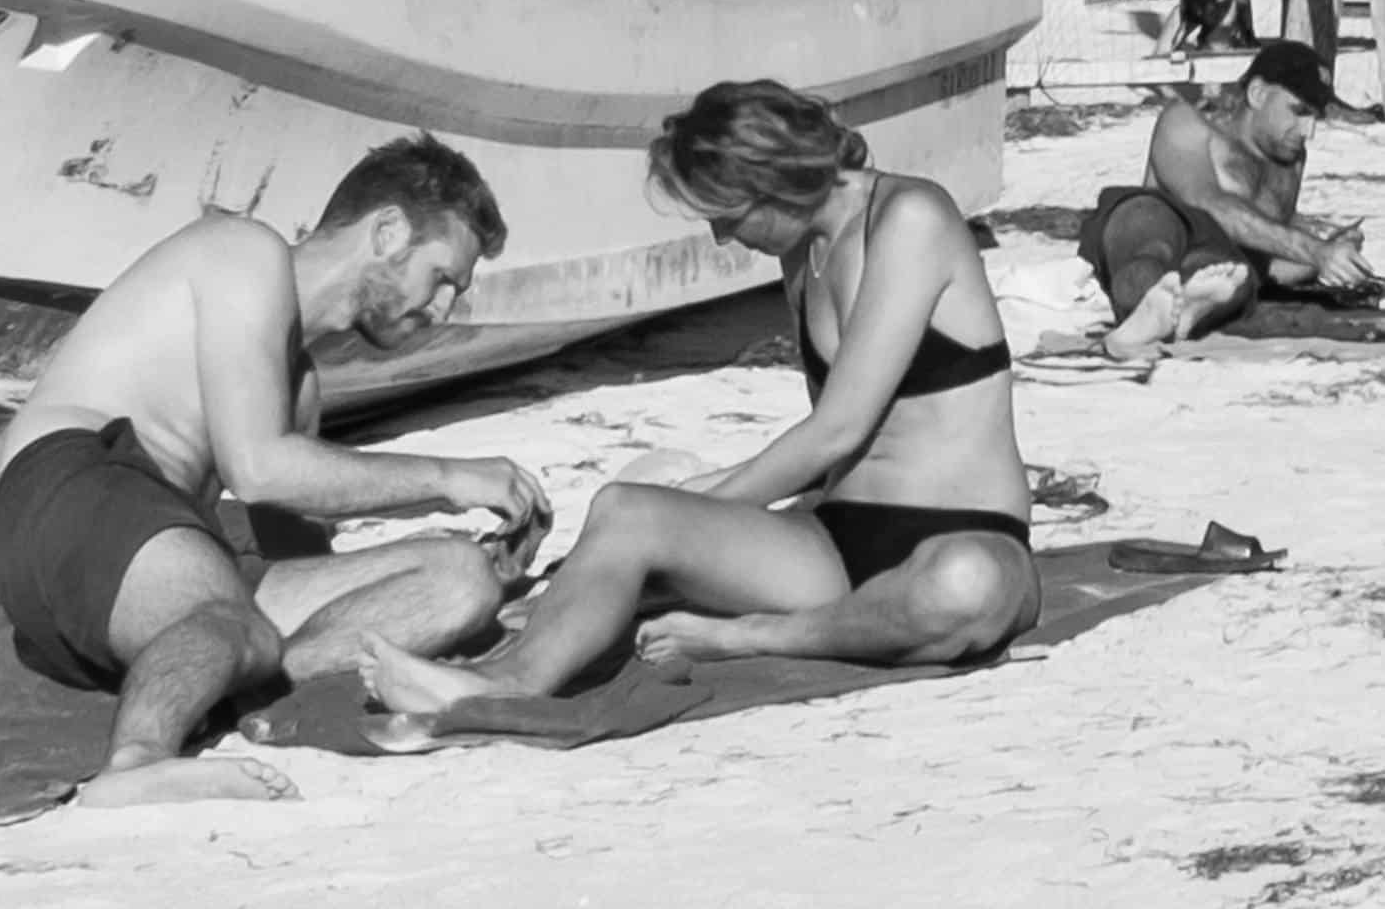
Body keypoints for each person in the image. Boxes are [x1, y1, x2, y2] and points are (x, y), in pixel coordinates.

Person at [363, 81, 1040, 713]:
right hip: (837, 540)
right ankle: (501, 682)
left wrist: (702, 506)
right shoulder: (803, 250)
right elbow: (830, 455)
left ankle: (752, 636)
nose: (722, 237)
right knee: (625, 510)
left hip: (966, 531)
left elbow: (837, 430)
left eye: (727, 215)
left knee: (963, 586)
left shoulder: (912, 217)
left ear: (774, 180)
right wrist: (616, 542)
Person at [0, 134, 551, 806]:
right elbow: (257, 469)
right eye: (442, 279)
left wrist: (484, 574)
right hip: (74, 488)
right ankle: (137, 759)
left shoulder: (299, 381)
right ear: (388, 230)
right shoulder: (246, 252)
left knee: (459, 577)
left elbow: (296, 550)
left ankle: (224, 665)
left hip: (148, 561)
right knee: (239, 622)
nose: (442, 310)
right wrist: (447, 477)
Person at [1077, 41, 1377, 357]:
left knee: (1236, 273)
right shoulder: (1187, 124)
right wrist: (1315, 251)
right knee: (1146, 221)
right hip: (1158, 237)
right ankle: (1147, 308)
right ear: (1258, 94)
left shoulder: (1289, 161)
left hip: (1213, 267)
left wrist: (1327, 258)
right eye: (1299, 111)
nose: (1308, 131)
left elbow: (1268, 260)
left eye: (1315, 117)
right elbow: (1207, 203)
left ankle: (1174, 316)